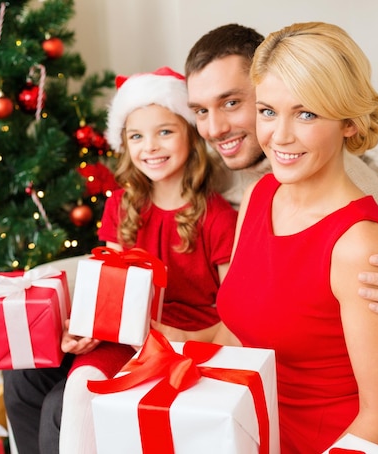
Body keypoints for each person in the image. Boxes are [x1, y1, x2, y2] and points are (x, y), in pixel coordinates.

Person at [181, 22, 378, 431]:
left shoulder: (360, 243)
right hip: (250, 424)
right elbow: (235, 332)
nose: (279, 136)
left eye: (306, 114)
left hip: (333, 438)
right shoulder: (261, 194)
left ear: (348, 122)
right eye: (267, 111)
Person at [57, 66, 238, 452]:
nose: (150, 147)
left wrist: (188, 338)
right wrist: (84, 328)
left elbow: (236, 313)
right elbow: (110, 293)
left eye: (165, 132)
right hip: (128, 336)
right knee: (77, 390)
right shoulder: (122, 206)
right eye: (137, 136)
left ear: (190, 134)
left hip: (190, 339)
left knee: (137, 416)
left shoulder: (218, 217)